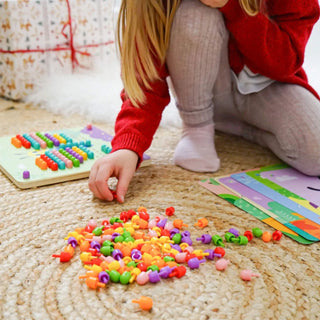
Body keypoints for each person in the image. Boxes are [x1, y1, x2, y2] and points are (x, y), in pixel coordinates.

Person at [88, 0, 320, 203]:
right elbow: (145, 78)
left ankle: (241, 128)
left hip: (268, 83)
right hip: (203, 94)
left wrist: (233, 6)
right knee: (195, 13)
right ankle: (198, 125)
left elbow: (285, 61)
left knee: (315, 152)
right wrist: (128, 146)